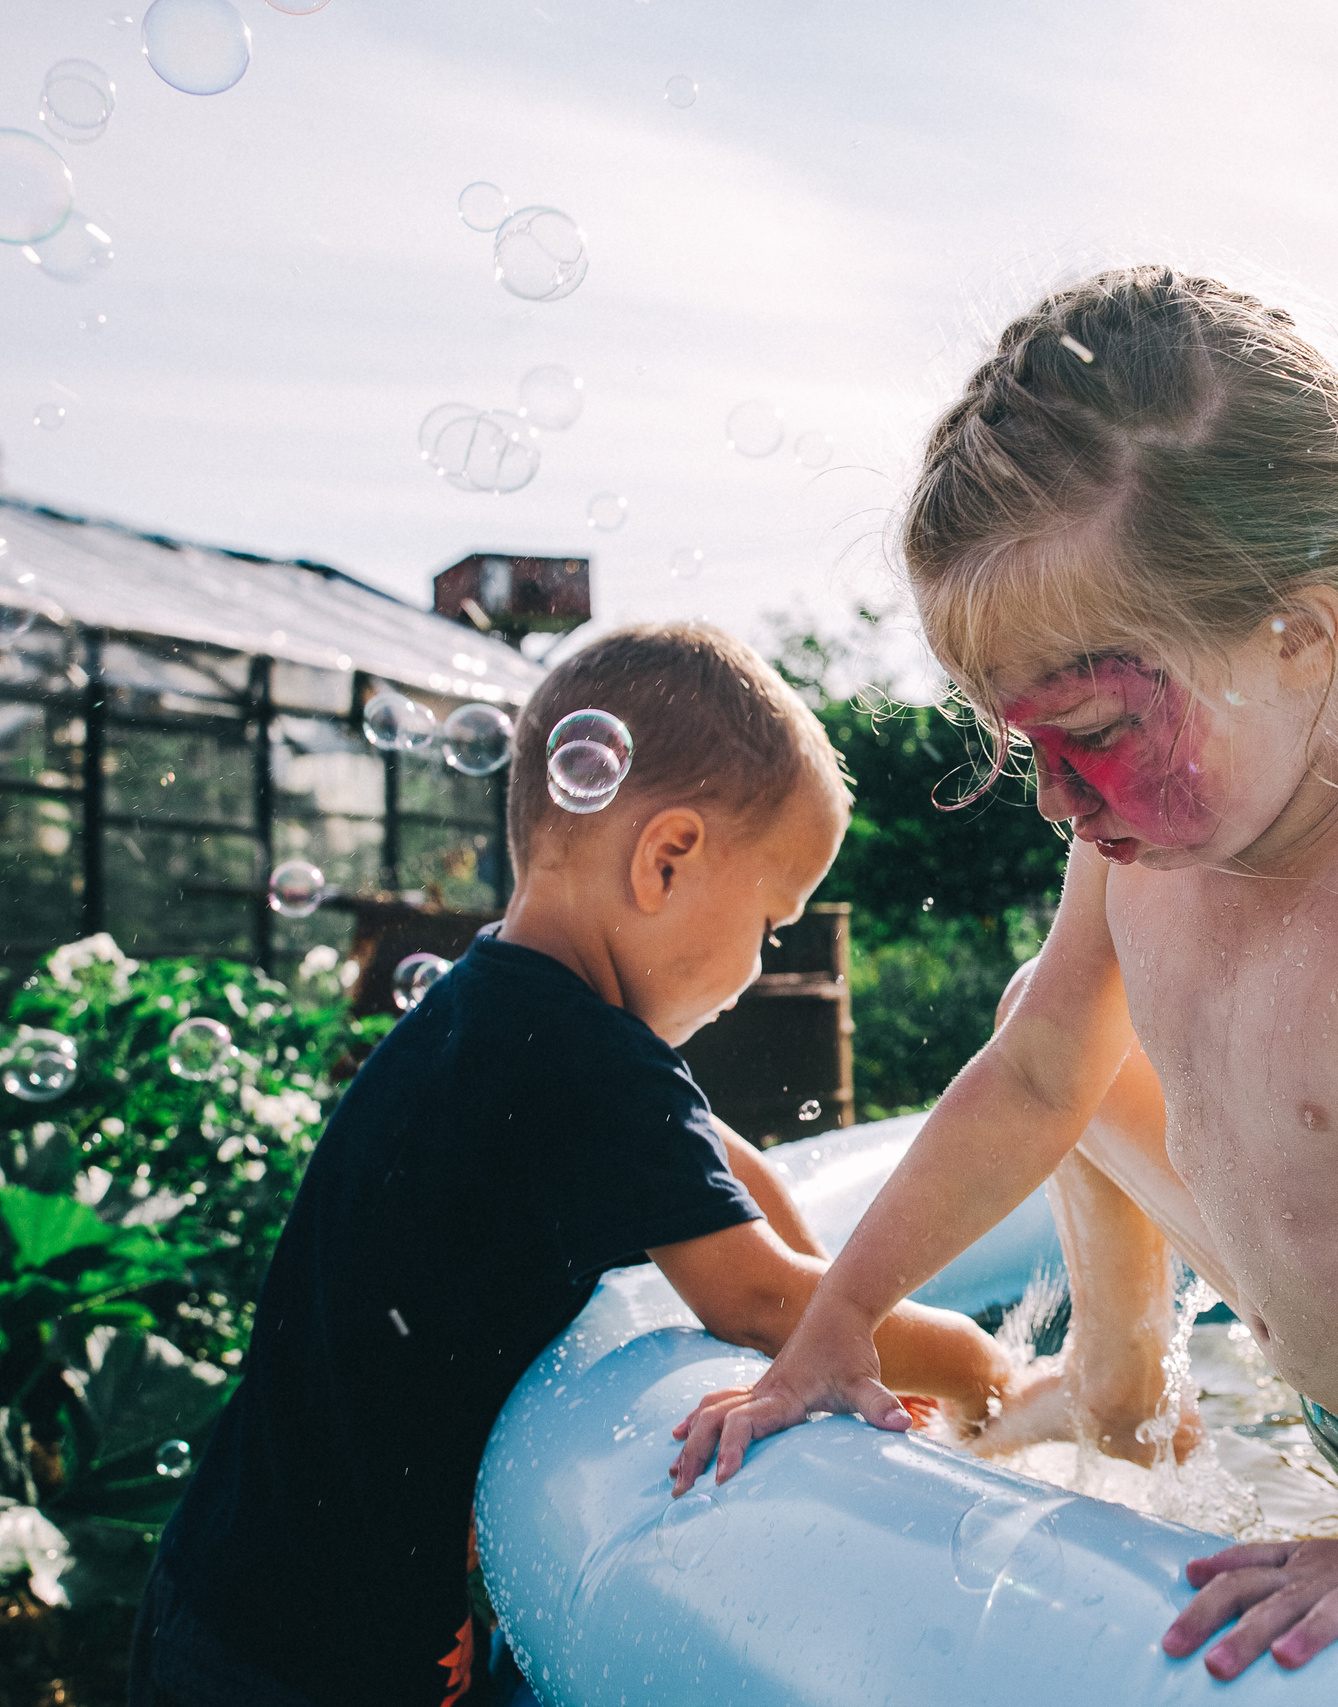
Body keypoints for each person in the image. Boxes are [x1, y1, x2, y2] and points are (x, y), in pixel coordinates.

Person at [667, 269, 1338, 1679]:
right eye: (1020, 742)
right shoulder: (1152, 834)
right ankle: (1123, 1393)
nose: (1054, 797)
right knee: (1046, 1037)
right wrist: (833, 1322)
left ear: (1300, 632)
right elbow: (1040, 1077)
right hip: (1337, 1359)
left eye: (1093, 729)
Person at [130, 623, 1010, 1707]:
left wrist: (839, 1322)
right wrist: (980, 1364)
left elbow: (739, 1183)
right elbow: (755, 1296)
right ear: (667, 858)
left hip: (226, 1587)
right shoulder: (587, 1061)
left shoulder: (493, 1004)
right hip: (315, 1663)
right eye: (772, 921)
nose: (760, 965)